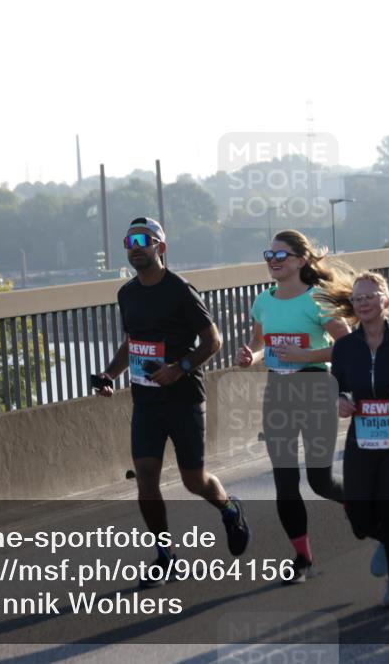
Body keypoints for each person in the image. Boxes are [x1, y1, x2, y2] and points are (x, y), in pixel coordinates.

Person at [97, 217, 250, 587]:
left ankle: (229, 509)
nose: (135, 246)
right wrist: (109, 375)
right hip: (146, 402)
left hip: (183, 399)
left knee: (193, 481)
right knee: (146, 478)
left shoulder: (180, 290)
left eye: (143, 240)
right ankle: (166, 556)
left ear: (160, 248)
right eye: (129, 240)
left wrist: (179, 368)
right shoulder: (127, 294)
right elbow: (133, 341)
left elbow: (213, 341)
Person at [235, 230, 350, 584]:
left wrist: (307, 355)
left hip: (315, 388)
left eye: (280, 256)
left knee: (320, 481)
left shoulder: (318, 299)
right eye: (268, 255)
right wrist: (249, 355)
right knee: (285, 482)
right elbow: (259, 342)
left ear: (301, 260)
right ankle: (302, 559)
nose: (272, 261)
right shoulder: (263, 301)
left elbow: (348, 345)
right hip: (278, 392)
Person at [320, 271, 389, 607]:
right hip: (363, 438)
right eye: (358, 298)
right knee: (359, 517)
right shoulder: (344, 348)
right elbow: (337, 388)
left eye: (371, 296)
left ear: (387, 300)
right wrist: (339, 401)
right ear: (352, 305)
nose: (364, 303)